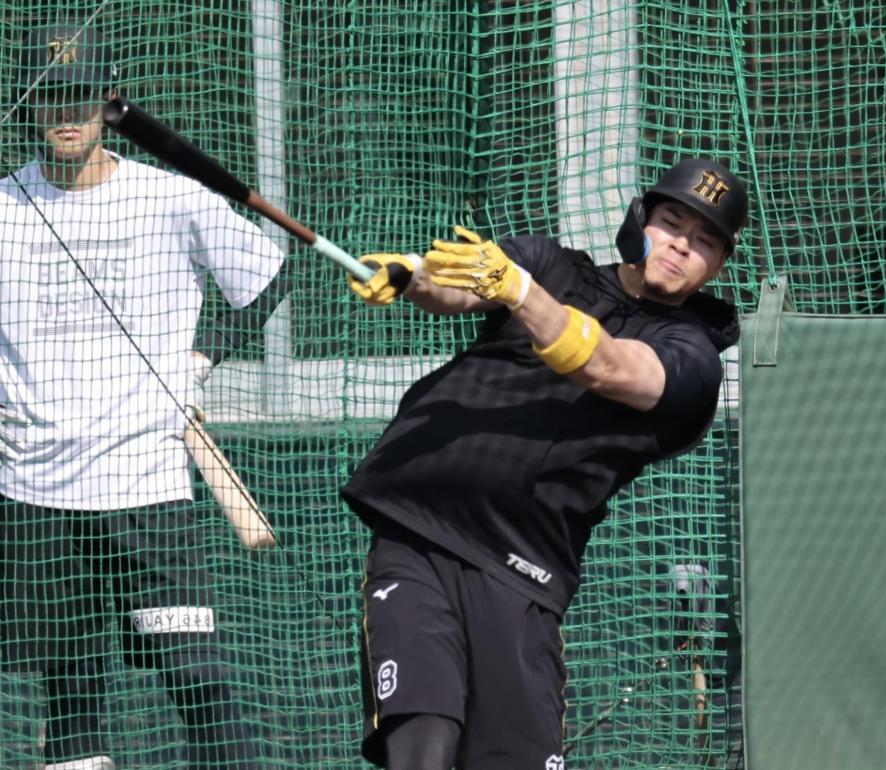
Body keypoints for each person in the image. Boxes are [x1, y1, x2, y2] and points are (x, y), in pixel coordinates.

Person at [341, 157, 747, 769]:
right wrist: (411, 275)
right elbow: (456, 285)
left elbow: (609, 366)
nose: (683, 245)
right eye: (673, 223)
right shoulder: (552, 263)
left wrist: (523, 295)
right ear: (640, 219)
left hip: (523, 577)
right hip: (418, 534)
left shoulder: (694, 357)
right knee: (423, 741)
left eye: (705, 240)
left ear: (717, 264)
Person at [0, 24, 293, 769]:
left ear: (111, 101)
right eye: (48, 99)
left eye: (80, 97)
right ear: (26, 106)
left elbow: (267, 274)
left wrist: (201, 361)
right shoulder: (3, 208)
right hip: (32, 490)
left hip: (145, 489)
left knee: (194, 679)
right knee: (68, 693)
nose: (66, 113)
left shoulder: (170, 197)